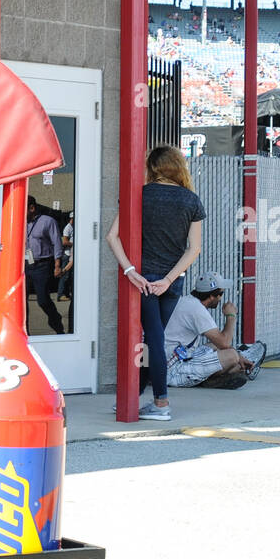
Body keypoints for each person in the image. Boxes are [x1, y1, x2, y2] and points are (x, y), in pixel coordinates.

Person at [103, 144, 204, 421]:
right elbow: (193, 249)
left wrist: (130, 271)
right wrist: (169, 278)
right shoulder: (191, 200)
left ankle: (161, 404)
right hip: (170, 283)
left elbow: (112, 237)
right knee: (154, 338)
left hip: (143, 280)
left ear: (153, 168)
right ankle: (133, 398)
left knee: (155, 339)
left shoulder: (139, 196)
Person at [162, 272, 266, 389]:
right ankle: (225, 372)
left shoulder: (188, 302)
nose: (221, 299)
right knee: (231, 356)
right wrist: (231, 315)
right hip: (172, 371)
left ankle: (231, 367)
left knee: (215, 347)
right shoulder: (197, 310)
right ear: (212, 296)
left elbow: (219, 344)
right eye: (221, 294)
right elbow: (225, 343)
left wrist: (239, 357)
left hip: (175, 358)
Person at [24, 195, 65, 335]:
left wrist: (57, 265)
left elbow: (57, 243)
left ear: (32, 208)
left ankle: (56, 321)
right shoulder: (22, 223)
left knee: (43, 300)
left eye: (24, 210)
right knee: (22, 303)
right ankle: (25, 332)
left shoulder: (48, 222)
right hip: (25, 266)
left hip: (42, 266)